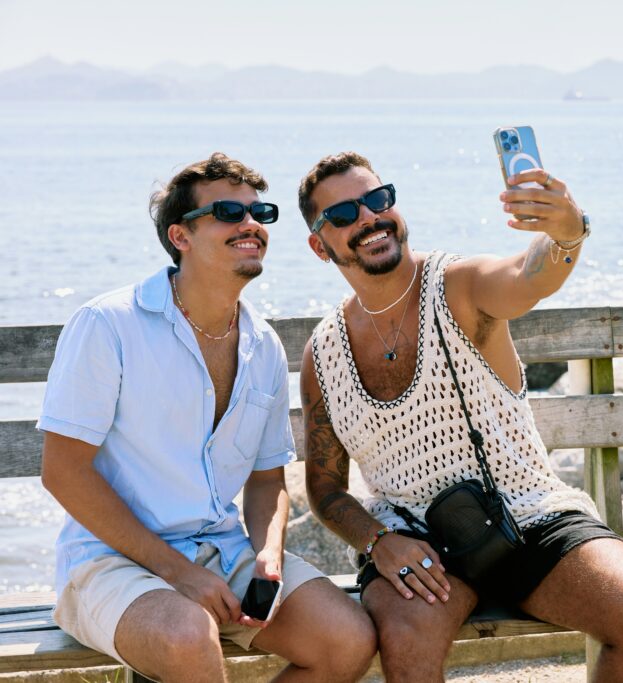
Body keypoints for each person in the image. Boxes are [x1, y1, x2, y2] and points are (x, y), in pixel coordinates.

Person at [297, 151, 623, 682]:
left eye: (378, 200)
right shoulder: (324, 352)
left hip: (528, 517)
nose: (368, 218)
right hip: (417, 540)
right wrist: (378, 543)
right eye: (342, 216)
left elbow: (528, 276)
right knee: (405, 641)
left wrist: (567, 230)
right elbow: (326, 489)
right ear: (319, 244)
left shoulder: (459, 285)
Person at [38, 153, 376, 683]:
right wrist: (178, 574)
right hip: (110, 561)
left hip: (223, 553)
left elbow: (268, 480)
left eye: (258, 213)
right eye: (227, 212)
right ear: (180, 236)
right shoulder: (109, 325)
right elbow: (62, 471)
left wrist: (268, 554)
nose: (250, 225)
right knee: (185, 636)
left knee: (347, 640)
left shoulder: (262, 345)